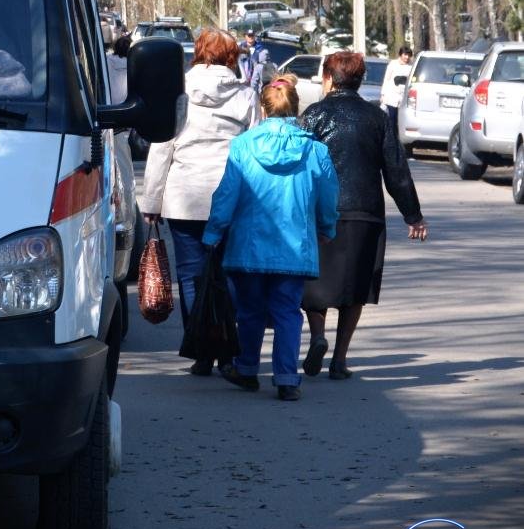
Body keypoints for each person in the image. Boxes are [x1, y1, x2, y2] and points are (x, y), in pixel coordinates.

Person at [202, 78, 339, 401]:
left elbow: (227, 195)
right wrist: (327, 227)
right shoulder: (315, 150)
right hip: (294, 247)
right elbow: (328, 195)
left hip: (248, 245)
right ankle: (287, 378)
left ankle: (248, 369)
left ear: (264, 108)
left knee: (249, 310)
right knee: (287, 311)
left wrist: (213, 232)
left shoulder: (243, 146)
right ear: (295, 106)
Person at [300, 51, 427, 380]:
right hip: (365, 212)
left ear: (329, 78)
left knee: (313, 282)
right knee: (355, 286)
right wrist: (413, 216)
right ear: (358, 80)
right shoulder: (377, 118)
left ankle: (317, 336)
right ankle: (340, 360)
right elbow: (396, 170)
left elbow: (300, 166)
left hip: (320, 213)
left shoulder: (313, 115)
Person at [140, 29, 259, 375]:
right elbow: (252, 151)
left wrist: (152, 201)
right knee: (229, 274)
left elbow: (162, 148)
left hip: (184, 197)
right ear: (231, 57)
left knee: (191, 275)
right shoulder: (245, 96)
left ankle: (202, 350)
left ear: (198, 54)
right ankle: (226, 349)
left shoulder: (178, 95)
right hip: (230, 198)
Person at [379, 46, 414, 132]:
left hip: (404, 97)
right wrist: (383, 94)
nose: (407, 57)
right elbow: (386, 79)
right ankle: (392, 137)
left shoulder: (411, 66)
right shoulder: (393, 64)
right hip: (392, 96)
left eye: (409, 55)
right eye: (405, 54)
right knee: (392, 118)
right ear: (400, 54)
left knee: (401, 119)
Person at [238, 29, 270, 93]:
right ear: (245, 36)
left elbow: (264, 64)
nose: (251, 37)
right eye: (249, 35)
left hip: (255, 78)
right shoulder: (240, 47)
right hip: (242, 78)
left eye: (252, 35)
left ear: (254, 36)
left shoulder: (261, 47)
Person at [106, 35, 130, 104]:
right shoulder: (132, 63)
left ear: (115, 47)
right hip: (127, 103)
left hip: (109, 102)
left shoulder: (108, 60)